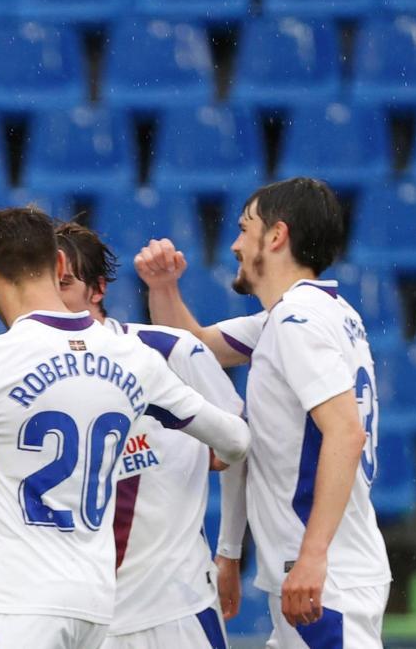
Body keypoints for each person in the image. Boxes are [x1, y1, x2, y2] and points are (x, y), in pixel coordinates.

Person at [0, 207, 251, 648]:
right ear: (58, 263)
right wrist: (216, 455)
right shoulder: (135, 359)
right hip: (95, 607)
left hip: (18, 603)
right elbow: (236, 439)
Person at [134, 178, 391, 647]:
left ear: (275, 237)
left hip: (321, 578)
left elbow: (345, 433)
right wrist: (163, 287)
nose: (234, 244)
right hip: (323, 573)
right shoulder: (310, 314)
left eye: (244, 228)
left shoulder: (297, 322)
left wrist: (312, 557)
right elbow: (196, 346)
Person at [55, 221, 243, 649]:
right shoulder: (26, 373)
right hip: (85, 622)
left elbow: (236, 447)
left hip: (177, 611)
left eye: (65, 284)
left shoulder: (173, 351)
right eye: (46, 288)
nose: (54, 301)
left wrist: (229, 550)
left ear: (98, 290)